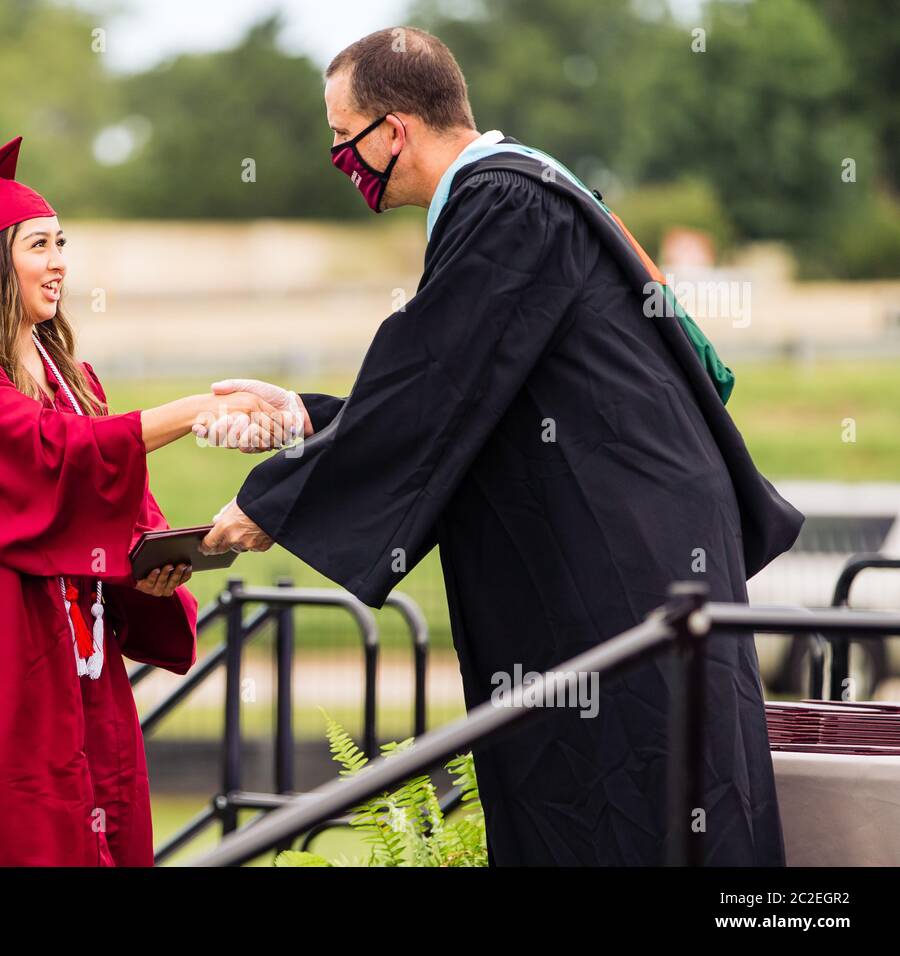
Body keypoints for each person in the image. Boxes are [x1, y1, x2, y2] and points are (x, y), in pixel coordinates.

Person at [199, 28, 804, 865]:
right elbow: (474, 393)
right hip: (621, 552)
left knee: (641, 806)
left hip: (621, 572)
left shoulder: (505, 202)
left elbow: (433, 382)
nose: (341, 160)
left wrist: (268, 503)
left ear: (394, 129)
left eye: (345, 140)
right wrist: (306, 418)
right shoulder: (518, 195)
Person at [0, 138, 283, 866]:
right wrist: (194, 410)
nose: (59, 262)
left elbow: (117, 511)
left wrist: (164, 563)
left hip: (70, 675)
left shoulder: (71, 378)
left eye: (63, 244)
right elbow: (46, 460)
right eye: (39, 245)